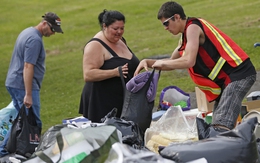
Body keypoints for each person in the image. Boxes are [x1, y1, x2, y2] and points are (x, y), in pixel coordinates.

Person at [134, 1, 256, 132]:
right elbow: (171, 62)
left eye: (166, 23)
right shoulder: (184, 37)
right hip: (228, 80)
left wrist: (162, 63)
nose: (165, 28)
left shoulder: (193, 27)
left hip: (239, 74)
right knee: (217, 125)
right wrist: (148, 62)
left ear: (177, 17)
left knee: (221, 126)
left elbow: (188, 61)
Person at [1, 12, 63, 157]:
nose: (53, 33)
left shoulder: (27, 32)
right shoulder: (34, 40)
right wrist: (28, 94)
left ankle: (5, 150)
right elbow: (28, 66)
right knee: (33, 122)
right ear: (44, 24)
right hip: (23, 86)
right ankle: (29, 153)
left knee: (21, 120)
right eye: (52, 29)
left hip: (14, 83)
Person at [79, 9, 140, 122]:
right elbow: (88, 74)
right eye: (115, 28)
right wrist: (114, 72)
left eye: (122, 28)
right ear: (104, 26)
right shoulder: (95, 45)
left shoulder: (120, 40)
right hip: (102, 104)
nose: (119, 32)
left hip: (122, 101)